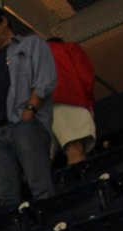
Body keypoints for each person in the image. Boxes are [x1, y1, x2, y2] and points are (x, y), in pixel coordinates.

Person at [0, 5, 57, 210]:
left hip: (23, 125)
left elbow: (45, 81)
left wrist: (29, 112)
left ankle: (51, 224)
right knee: (6, 200)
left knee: (40, 187)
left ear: (4, 22)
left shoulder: (32, 44)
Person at [47, 37, 96, 165]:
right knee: (75, 150)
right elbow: (85, 77)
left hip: (38, 110)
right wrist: (88, 103)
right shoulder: (69, 48)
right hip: (69, 101)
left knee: (45, 162)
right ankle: (82, 178)